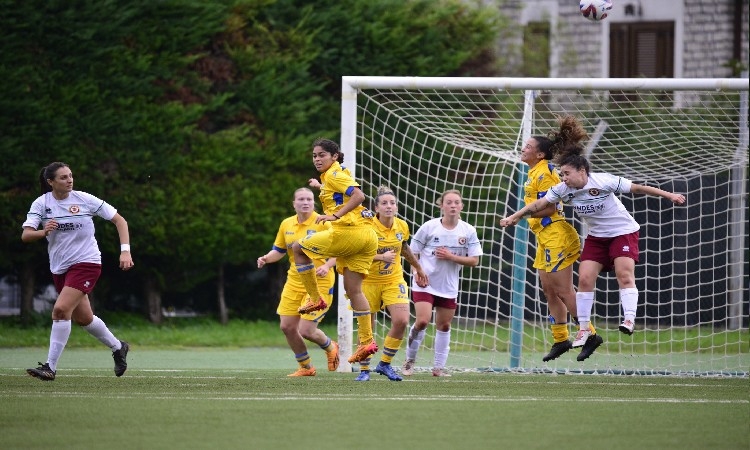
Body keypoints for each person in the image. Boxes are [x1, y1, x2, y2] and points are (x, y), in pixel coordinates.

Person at [500, 145, 686, 361]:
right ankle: (581, 332)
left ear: (582, 171)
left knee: (622, 275)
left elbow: (637, 188)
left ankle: (628, 320)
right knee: (583, 280)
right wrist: (515, 216)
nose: (563, 178)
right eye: (562, 174)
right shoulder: (562, 188)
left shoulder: (603, 180)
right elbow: (540, 203)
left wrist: (670, 195)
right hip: (596, 237)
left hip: (622, 232)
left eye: (567, 173)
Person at [22, 162, 134, 381]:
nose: (69, 180)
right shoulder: (41, 203)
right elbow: (26, 235)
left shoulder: (84, 199)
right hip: (60, 267)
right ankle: (118, 347)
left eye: (71, 176)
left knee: (61, 310)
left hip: (87, 263)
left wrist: (125, 251)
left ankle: (50, 367)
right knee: (84, 318)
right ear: (50, 182)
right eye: (63, 177)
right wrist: (43, 231)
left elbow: (120, 221)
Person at [499, 115, 595, 362]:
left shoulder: (545, 173)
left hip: (556, 235)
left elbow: (551, 208)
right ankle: (561, 338)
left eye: (529, 146)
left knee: (564, 290)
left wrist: (519, 216)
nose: (524, 148)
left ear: (540, 155)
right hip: (544, 237)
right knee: (549, 291)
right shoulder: (533, 173)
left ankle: (590, 334)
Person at [291, 138, 380, 364]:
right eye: (314, 155)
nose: (317, 159)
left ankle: (315, 298)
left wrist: (335, 216)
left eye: (322, 155)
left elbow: (359, 195)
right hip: (368, 237)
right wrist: (320, 187)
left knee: (298, 247)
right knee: (354, 290)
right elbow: (340, 193)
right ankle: (367, 341)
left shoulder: (334, 174)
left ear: (334, 156)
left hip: (350, 232)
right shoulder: (335, 174)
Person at [257, 188, 340, 377]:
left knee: (306, 330)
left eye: (309, 199)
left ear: (314, 202)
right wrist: (266, 258)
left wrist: (327, 266)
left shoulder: (324, 222)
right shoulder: (286, 224)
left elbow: (339, 251)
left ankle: (330, 346)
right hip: (294, 280)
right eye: (301, 199)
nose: (305, 202)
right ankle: (306, 367)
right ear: (294, 203)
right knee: (287, 326)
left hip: (320, 281)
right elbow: (278, 250)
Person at [402, 190, 483, 377]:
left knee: (444, 326)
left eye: (456, 202)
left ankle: (438, 368)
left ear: (461, 206)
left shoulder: (468, 230)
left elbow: (474, 261)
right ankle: (409, 361)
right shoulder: (429, 227)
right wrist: (416, 271)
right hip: (425, 282)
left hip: (448, 286)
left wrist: (451, 256)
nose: (453, 205)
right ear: (442, 206)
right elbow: (411, 252)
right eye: (449, 202)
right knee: (422, 321)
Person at [354, 185, 429, 381]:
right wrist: (380, 257)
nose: (389, 206)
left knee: (402, 320)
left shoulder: (401, 226)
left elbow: (404, 248)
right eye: (384, 203)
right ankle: (364, 370)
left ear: (396, 207)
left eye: (392, 203)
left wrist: (418, 268)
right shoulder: (367, 227)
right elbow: (355, 255)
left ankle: (385, 364)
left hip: (393, 280)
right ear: (376, 208)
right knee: (366, 327)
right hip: (367, 281)